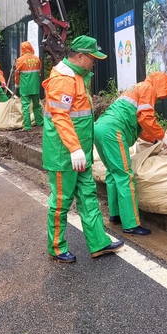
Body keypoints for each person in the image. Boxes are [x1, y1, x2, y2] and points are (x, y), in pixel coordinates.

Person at [42, 35, 124, 262]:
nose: (94, 63)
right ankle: (56, 247)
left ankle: (99, 242)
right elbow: (60, 116)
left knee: (88, 195)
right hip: (64, 154)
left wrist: (81, 150)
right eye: (92, 58)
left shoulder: (77, 76)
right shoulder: (64, 79)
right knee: (61, 201)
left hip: (79, 153)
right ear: (80, 57)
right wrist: (74, 148)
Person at [94, 71, 167, 236]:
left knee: (113, 173)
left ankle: (116, 214)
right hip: (113, 132)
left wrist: (154, 140)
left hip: (99, 128)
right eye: (162, 95)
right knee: (125, 176)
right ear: (160, 84)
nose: (160, 99)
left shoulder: (137, 88)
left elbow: (139, 125)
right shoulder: (148, 88)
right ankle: (131, 224)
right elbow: (146, 119)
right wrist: (165, 137)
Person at [14, 41, 43, 129]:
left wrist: (17, 83)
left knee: (25, 107)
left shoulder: (20, 60)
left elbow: (17, 74)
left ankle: (27, 126)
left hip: (25, 87)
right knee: (36, 105)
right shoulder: (37, 59)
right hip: (35, 86)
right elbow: (39, 72)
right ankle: (39, 122)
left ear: (22, 49)